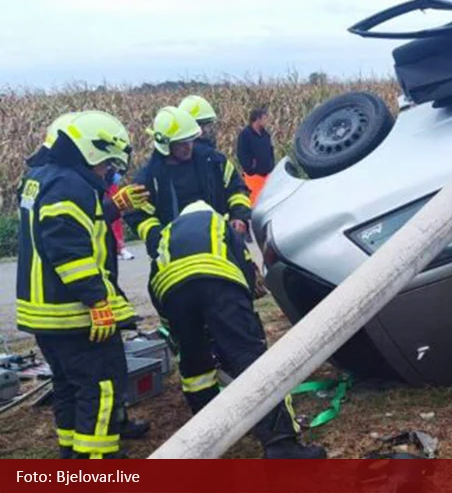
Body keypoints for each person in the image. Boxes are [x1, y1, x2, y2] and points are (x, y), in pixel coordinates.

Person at [147, 200, 324, 459]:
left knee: (196, 369)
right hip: (219, 282)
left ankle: (206, 439)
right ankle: (281, 445)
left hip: (172, 293)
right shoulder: (216, 221)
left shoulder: (167, 233)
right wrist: (244, 311)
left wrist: (174, 329)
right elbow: (244, 263)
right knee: (249, 358)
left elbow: (154, 283)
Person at [15, 111, 140, 459]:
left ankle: (71, 457)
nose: (107, 172)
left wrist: (111, 208)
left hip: (46, 316)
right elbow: (68, 248)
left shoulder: (42, 178)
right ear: (89, 151)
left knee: (68, 387)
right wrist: (97, 301)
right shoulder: (70, 185)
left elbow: (71, 224)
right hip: (73, 314)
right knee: (99, 389)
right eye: (106, 164)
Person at [124, 106, 251, 259]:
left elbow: (236, 188)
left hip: (221, 241)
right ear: (166, 144)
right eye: (181, 143)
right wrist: (158, 236)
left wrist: (238, 216)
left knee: (247, 273)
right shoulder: (149, 178)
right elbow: (138, 216)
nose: (188, 146)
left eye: (190, 140)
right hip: (174, 251)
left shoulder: (213, 161)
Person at [235, 106, 275, 206]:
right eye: (265, 118)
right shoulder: (245, 135)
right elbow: (241, 154)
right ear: (258, 119)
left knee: (267, 203)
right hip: (253, 177)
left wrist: (271, 165)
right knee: (255, 203)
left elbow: (270, 151)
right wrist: (250, 168)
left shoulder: (266, 135)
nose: (267, 121)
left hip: (267, 176)